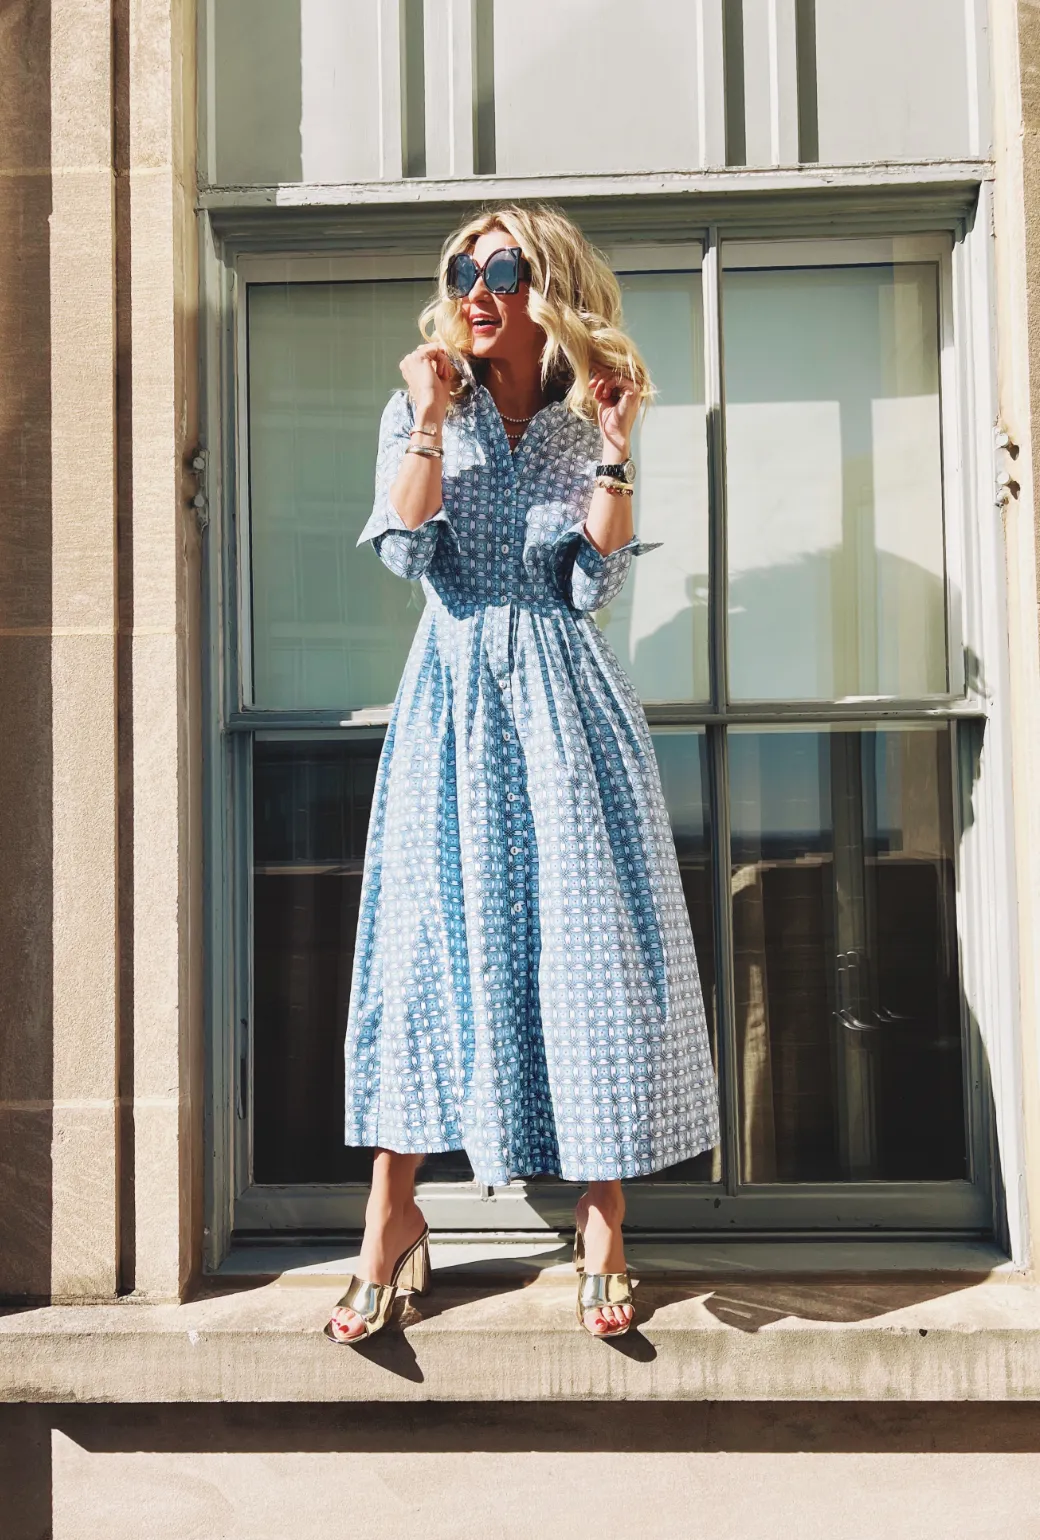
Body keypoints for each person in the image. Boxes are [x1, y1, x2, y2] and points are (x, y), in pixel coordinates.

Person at [323, 202, 720, 1346]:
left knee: (582, 946)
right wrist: (434, 415)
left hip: (562, 703)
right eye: (461, 265)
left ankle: (603, 1221)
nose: (475, 283)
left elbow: (595, 570)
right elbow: (405, 543)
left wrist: (614, 438)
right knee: (420, 954)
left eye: (500, 265)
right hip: (450, 697)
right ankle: (390, 1214)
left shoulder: (574, 414)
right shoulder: (418, 401)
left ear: (544, 287)